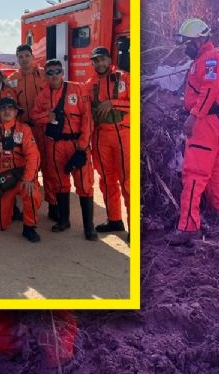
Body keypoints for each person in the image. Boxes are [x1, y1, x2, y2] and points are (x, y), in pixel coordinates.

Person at [170, 18, 219, 245]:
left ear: (201, 39)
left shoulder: (210, 59)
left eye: (188, 42)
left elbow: (209, 90)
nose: (186, 47)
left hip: (204, 123)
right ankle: (217, 212)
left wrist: (194, 116)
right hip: (215, 122)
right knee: (215, 172)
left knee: (194, 174)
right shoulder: (206, 59)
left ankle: (187, 227)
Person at [31, 59, 97, 241]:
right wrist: (47, 116)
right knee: (60, 183)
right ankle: (63, 220)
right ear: (45, 76)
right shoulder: (42, 95)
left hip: (76, 143)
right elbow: (35, 117)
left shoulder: (77, 89)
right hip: (55, 144)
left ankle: (88, 227)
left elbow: (87, 119)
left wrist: (82, 146)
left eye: (57, 71)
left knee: (84, 184)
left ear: (63, 73)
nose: (54, 76)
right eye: (50, 72)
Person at [0, 97, 42, 242]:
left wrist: (29, 178)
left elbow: (33, 155)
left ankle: (29, 227)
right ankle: (11, 210)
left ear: (16, 112)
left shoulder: (24, 129)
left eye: (10, 108)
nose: (6, 111)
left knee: (31, 191)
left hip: (21, 178)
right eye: (3, 108)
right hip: (2, 182)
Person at [84, 46, 130, 237]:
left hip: (123, 135)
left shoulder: (125, 78)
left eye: (103, 59)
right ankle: (114, 220)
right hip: (101, 136)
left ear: (110, 60)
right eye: (96, 60)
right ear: (92, 63)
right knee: (107, 180)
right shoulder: (89, 83)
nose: (100, 63)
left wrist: (113, 103)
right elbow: (85, 112)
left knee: (128, 181)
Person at [7, 44, 52, 222]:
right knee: (19, 165)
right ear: (17, 59)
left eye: (27, 55)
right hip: (23, 129)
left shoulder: (44, 75)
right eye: (21, 56)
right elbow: (9, 102)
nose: (24, 59)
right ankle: (17, 206)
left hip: (43, 127)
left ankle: (53, 204)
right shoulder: (12, 79)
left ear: (33, 57)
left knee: (48, 167)